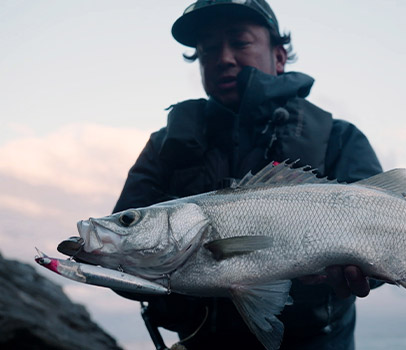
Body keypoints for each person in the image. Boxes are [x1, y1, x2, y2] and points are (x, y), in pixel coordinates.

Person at [113, 1, 383, 349]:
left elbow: (388, 240)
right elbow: (120, 255)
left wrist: (363, 274)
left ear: (279, 55)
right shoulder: (164, 146)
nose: (223, 58)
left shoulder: (341, 139)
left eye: (240, 42)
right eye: (208, 49)